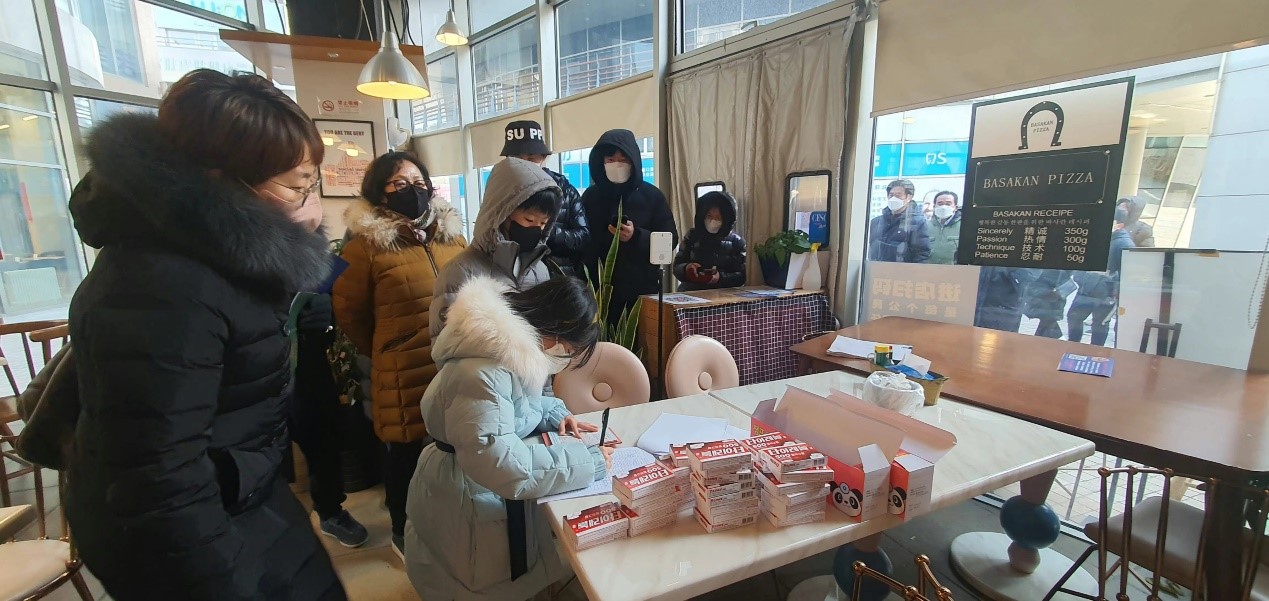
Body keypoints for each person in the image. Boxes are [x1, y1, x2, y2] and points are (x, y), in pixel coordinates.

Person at [64, 69, 345, 600]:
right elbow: (158, 484)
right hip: (194, 532)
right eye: (296, 184)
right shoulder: (162, 285)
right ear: (220, 180)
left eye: (312, 183)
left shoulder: (216, 257)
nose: (311, 202)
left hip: (241, 492)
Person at [404, 276, 611, 601]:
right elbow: (504, 465)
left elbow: (513, 407)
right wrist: (589, 460)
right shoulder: (483, 373)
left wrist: (557, 414)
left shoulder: (498, 354)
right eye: (567, 350)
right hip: (465, 495)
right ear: (551, 333)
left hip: (465, 479)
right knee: (478, 581)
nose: (564, 358)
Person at [332, 151, 467, 559]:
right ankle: (401, 530)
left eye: (418, 181)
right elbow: (348, 312)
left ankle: (450, 524)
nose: (413, 190)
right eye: (399, 184)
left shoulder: (450, 236)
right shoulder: (364, 246)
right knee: (406, 453)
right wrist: (387, 344)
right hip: (400, 366)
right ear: (380, 193)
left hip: (451, 361)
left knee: (451, 446)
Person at [431, 157, 561, 338]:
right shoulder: (460, 271)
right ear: (502, 213)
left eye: (542, 223)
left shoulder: (539, 270)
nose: (535, 228)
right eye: (529, 220)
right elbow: (445, 345)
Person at [290, 290, 369, 548]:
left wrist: (328, 309)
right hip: (254, 357)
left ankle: (330, 512)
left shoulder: (299, 253)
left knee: (322, 432)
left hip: (308, 356)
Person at [580, 129, 677, 326]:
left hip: (640, 293)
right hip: (598, 293)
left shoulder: (652, 196)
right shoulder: (590, 197)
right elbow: (581, 240)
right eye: (611, 158)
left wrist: (636, 236)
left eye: (623, 159)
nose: (617, 163)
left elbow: (670, 240)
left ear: (634, 161)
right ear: (602, 161)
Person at [499, 120, 589, 277]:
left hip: (558, 281)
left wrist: (546, 230)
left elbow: (583, 237)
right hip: (512, 278)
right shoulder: (500, 192)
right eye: (517, 159)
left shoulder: (564, 190)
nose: (525, 164)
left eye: (532, 159)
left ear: (543, 158)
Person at [1067, 207, 1137, 346]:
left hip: (1105, 294)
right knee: (1074, 317)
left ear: (1119, 224)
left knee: (1100, 325)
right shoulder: (1098, 238)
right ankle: (1073, 346)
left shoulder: (1124, 243)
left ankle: (1096, 352)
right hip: (1086, 290)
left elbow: (1127, 274)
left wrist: (1114, 291)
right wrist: (1080, 278)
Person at [673, 190, 747, 290]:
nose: (712, 221)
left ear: (726, 220)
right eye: (709, 216)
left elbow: (742, 275)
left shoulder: (736, 241)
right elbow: (677, 266)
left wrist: (720, 277)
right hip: (691, 292)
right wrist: (687, 269)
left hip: (721, 296)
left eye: (718, 218)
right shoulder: (692, 236)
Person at [868, 179, 931, 263]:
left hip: (902, 272)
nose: (894, 198)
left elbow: (921, 254)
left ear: (909, 197)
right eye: (891, 195)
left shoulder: (918, 223)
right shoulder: (876, 222)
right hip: (876, 270)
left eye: (898, 195)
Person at [1021, 268, 1075, 339]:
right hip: (1045, 294)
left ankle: (1058, 342)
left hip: (1048, 295)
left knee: (1048, 321)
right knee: (1047, 322)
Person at [927, 190, 962, 265]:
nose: (943, 207)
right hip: (929, 271)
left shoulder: (963, 227)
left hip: (954, 272)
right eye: (940, 204)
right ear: (934, 206)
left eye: (948, 204)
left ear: (955, 207)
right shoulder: (926, 225)